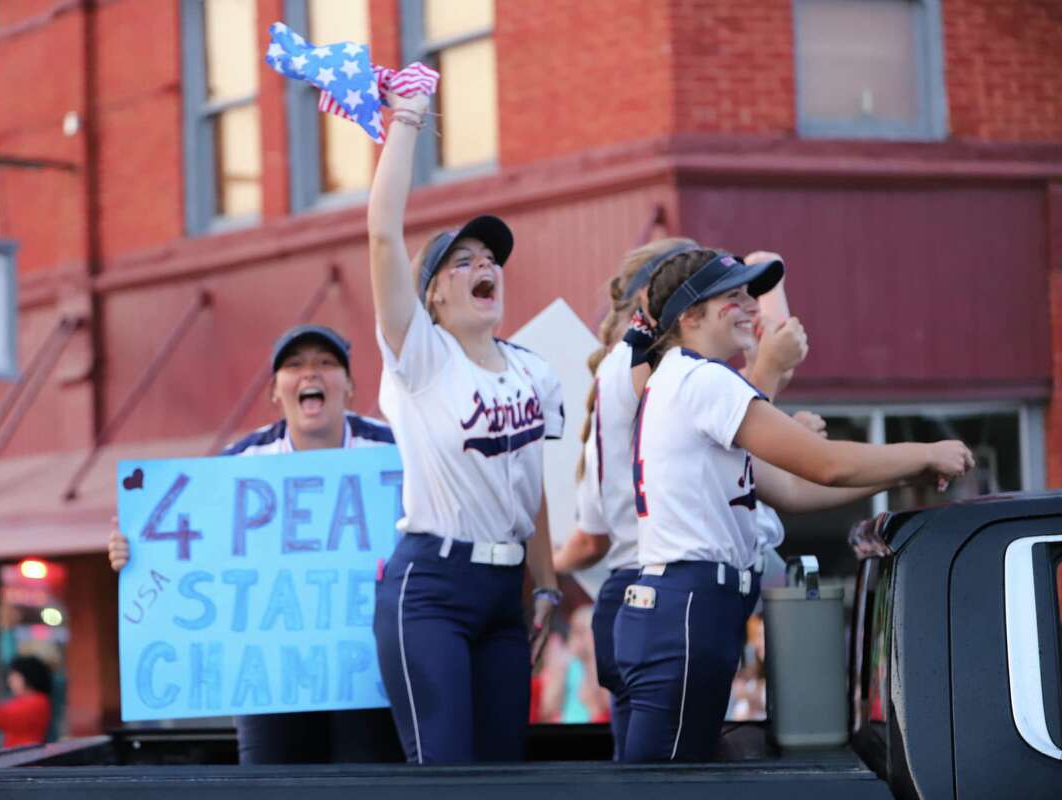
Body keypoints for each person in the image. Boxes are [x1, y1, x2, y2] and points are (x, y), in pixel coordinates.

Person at [615, 248, 974, 762]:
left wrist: (911, 468)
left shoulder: (682, 377)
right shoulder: (702, 379)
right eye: (733, 297)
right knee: (663, 788)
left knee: (667, 780)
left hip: (685, 606)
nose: (750, 308)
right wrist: (923, 451)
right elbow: (824, 465)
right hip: (687, 607)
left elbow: (792, 490)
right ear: (691, 316)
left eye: (750, 295)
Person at [367, 89, 564, 764]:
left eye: (491, 259)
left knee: (505, 770)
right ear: (433, 297)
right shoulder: (420, 357)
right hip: (431, 590)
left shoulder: (535, 371)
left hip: (502, 594)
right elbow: (381, 234)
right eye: (463, 262)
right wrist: (408, 120)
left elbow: (529, 487)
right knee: (443, 773)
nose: (485, 268)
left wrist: (544, 583)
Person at [553, 238, 807, 760]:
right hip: (658, 591)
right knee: (666, 777)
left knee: (663, 768)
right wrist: (768, 376)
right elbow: (719, 428)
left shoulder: (647, 367)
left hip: (650, 593)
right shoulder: (651, 369)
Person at [108, 324, 404, 765]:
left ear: (351, 386)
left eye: (326, 364)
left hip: (366, 666)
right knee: (269, 784)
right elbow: (184, 548)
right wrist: (133, 551)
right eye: (295, 365)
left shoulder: (397, 450)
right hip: (270, 677)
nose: (311, 375)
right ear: (274, 391)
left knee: (365, 781)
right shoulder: (237, 465)